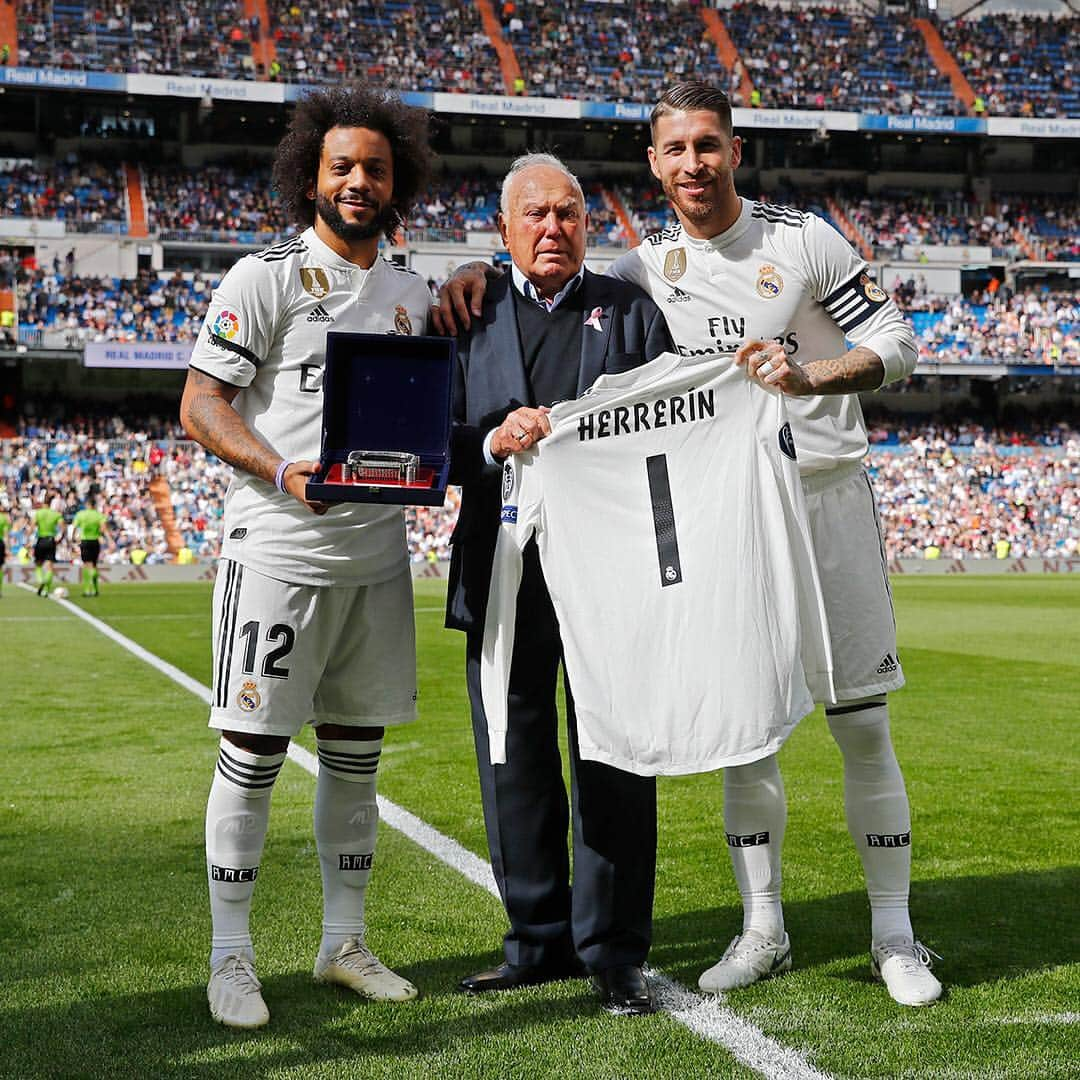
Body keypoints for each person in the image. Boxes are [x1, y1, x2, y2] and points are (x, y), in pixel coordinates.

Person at [435, 83, 940, 1008]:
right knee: (748, 734)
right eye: (674, 150)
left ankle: (897, 936)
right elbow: (544, 269)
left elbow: (901, 345)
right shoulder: (642, 269)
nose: (692, 164)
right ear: (654, 163)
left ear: (734, 151)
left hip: (823, 501)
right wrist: (470, 271)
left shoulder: (803, 239)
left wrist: (809, 373)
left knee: (861, 723)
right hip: (730, 520)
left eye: (708, 145)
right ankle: (762, 928)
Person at [179, 84, 434, 1030]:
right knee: (251, 753)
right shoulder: (264, 276)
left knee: (356, 760)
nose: (359, 181)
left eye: (374, 166)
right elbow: (201, 404)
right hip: (280, 550)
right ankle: (230, 956)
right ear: (310, 177)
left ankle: (343, 943)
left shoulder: (414, 294)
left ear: (396, 178)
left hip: (375, 554)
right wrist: (283, 471)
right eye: (342, 167)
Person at [445, 153, 673, 1016]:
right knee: (515, 759)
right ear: (503, 230)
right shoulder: (465, 311)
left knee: (614, 759)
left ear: (589, 225)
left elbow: (668, 438)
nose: (554, 227)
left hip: (610, 572)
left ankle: (615, 952)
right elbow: (438, 443)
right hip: (500, 568)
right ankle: (535, 943)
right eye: (535, 214)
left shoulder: (630, 313)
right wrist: (495, 442)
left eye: (570, 213)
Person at [71, 498, 108, 597]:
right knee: (94, 564)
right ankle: (95, 590)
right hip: (95, 541)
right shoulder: (98, 515)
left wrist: (73, 537)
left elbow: (74, 527)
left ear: (87, 505)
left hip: (85, 541)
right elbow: (103, 528)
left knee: (87, 565)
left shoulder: (80, 514)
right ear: (94, 505)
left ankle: (87, 590)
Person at [32, 492, 64, 597]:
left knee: (38, 563)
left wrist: (29, 541)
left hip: (41, 539)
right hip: (51, 540)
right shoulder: (56, 514)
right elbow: (63, 528)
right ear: (50, 503)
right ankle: (46, 589)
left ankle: (41, 580)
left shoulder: (38, 513)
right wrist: (59, 538)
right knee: (50, 566)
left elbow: (32, 527)